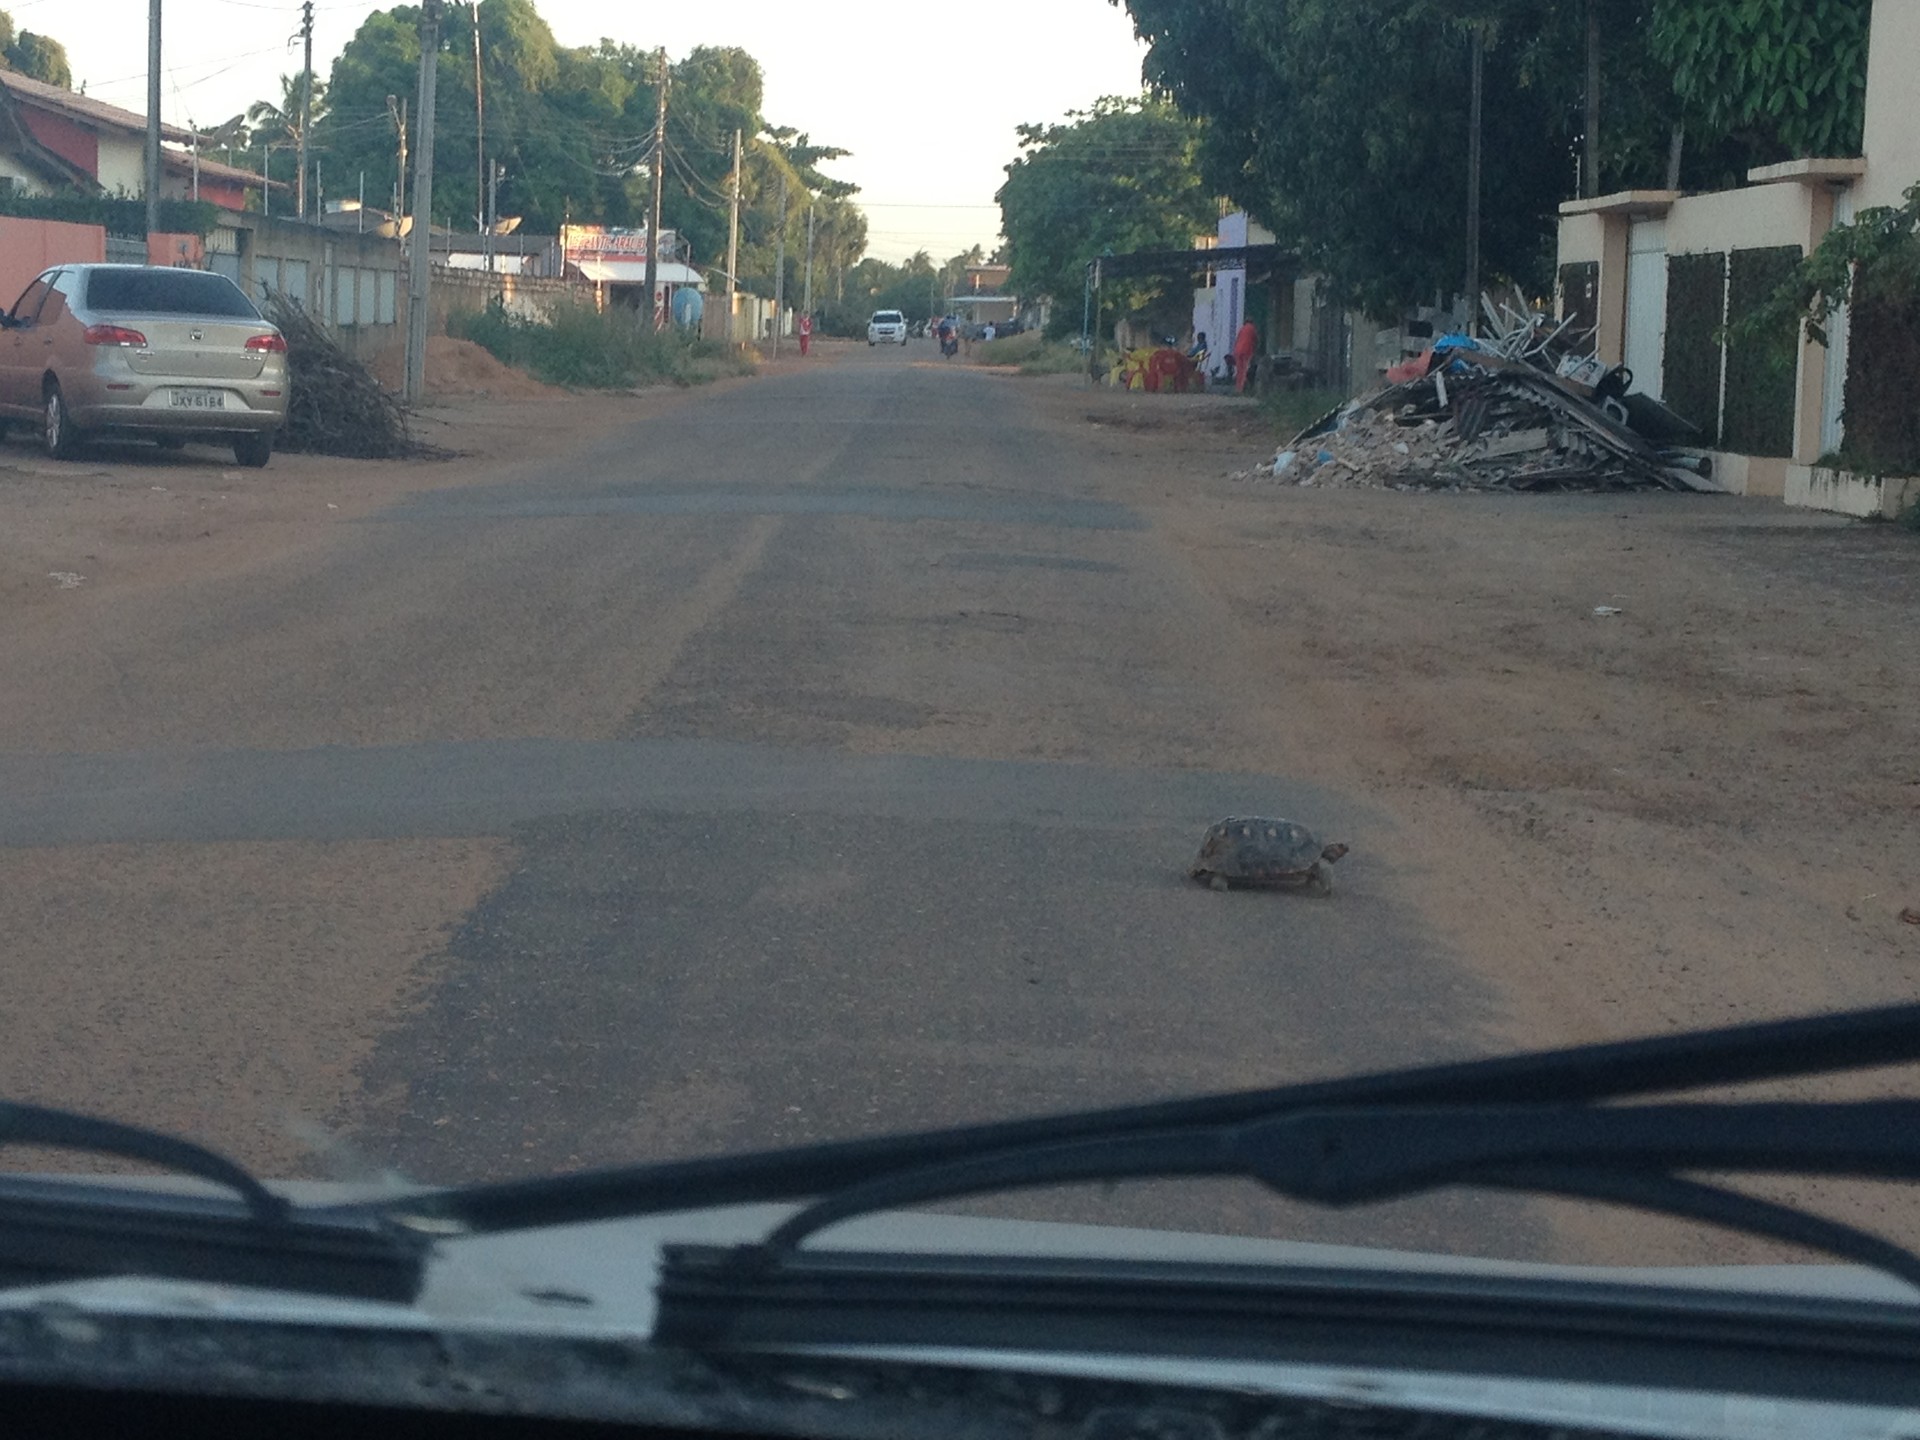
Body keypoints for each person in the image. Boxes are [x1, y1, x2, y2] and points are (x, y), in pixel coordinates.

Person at [1231, 319, 1259, 395]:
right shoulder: (1252, 328)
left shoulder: (1242, 328)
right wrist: (1255, 350)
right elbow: (1256, 340)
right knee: (1245, 369)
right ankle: (1243, 388)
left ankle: (1238, 388)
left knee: (1239, 370)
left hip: (1237, 350)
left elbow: (1237, 340)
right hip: (1247, 350)